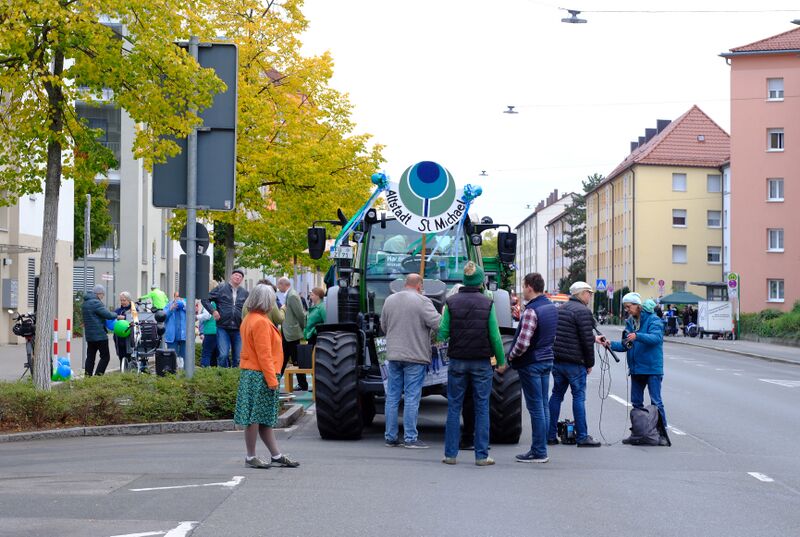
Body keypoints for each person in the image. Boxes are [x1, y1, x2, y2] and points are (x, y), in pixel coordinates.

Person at [439, 262, 506, 466]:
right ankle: (481, 456)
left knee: (453, 407)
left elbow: (442, 333)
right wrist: (501, 361)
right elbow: (495, 336)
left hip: (457, 361)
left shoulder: (451, 302)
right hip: (481, 363)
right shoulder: (488, 303)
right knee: (482, 407)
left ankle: (450, 454)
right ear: (480, 282)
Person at [234, 283, 300, 469]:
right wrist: (272, 380)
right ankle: (251, 456)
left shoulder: (249, 318)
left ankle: (275, 455)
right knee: (256, 418)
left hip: (251, 373)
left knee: (259, 418)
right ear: (267, 301)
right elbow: (265, 355)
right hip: (261, 375)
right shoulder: (261, 321)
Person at [380, 274, 441, 449]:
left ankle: (390, 437)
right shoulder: (422, 301)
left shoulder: (389, 300)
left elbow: (384, 326)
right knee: (412, 397)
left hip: (393, 355)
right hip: (415, 356)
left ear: (405, 284)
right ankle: (410, 438)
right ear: (419, 285)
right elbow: (438, 324)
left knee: (392, 397)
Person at [507, 272, 558, 464]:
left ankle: (538, 451)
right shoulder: (551, 307)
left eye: (523, 286)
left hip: (531, 363)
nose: (522, 290)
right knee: (543, 405)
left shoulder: (531, 311)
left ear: (529, 286)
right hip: (546, 360)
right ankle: (541, 447)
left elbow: (522, 343)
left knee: (535, 408)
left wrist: (510, 357)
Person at [606, 293, 668, 444]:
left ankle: (662, 434)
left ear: (638, 305)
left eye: (629, 307)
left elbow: (656, 339)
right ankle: (638, 433)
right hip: (636, 369)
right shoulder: (630, 322)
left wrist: (638, 336)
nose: (627, 310)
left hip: (652, 368)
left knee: (656, 402)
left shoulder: (653, 319)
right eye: (625, 307)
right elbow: (626, 344)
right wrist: (610, 344)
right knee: (636, 402)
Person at [548, 281, 602, 448]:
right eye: (589, 293)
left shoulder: (561, 309)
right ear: (581, 293)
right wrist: (589, 363)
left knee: (556, 395)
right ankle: (582, 437)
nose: (590, 296)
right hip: (575, 362)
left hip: (558, 360)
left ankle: (549, 435)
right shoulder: (583, 311)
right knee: (578, 397)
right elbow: (586, 341)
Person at [203, 268, 249, 368]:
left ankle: (236, 379)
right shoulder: (221, 288)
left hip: (238, 328)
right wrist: (213, 311)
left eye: (240, 276)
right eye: (236, 275)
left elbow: (250, 307)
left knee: (238, 357)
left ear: (242, 280)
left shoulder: (245, 293)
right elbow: (205, 299)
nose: (238, 277)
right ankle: (223, 378)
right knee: (223, 355)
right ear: (231, 277)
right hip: (223, 327)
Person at [277, 277, 307, 391]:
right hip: (290, 331)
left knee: (286, 357)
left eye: (279, 286)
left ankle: (276, 381)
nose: (278, 288)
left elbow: (300, 314)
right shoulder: (291, 294)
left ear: (283, 284)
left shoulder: (292, 295)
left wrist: (302, 327)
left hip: (291, 332)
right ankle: (302, 384)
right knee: (294, 358)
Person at [82, 285, 117, 376]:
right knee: (105, 357)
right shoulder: (96, 303)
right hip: (100, 335)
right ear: (99, 293)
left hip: (90, 336)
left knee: (90, 357)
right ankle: (98, 376)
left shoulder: (85, 303)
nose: (103, 297)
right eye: (102, 295)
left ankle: (87, 377)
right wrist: (117, 315)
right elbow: (108, 315)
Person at [164, 292, 187, 368]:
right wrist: (171, 309)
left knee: (186, 358)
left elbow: (194, 316)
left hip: (184, 336)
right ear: (174, 297)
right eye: (177, 296)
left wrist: (185, 307)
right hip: (172, 337)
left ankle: (186, 375)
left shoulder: (186, 305)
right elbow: (163, 318)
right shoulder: (168, 305)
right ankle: (172, 376)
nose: (179, 298)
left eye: (180, 297)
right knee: (172, 358)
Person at [113, 291, 133, 366]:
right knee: (121, 355)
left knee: (129, 355)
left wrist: (125, 318)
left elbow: (135, 319)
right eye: (121, 300)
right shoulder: (117, 311)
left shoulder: (133, 310)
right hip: (118, 337)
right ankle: (122, 370)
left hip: (129, 336)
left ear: (129, 300)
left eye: (124, 300)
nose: (122, 302)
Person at [197, 300, 218, 367]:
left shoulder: (210, 303)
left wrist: (196, 317)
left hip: (210, 331)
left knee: (206, 353)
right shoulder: (221, 303)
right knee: (216, 354)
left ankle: (205, 371)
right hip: (220, 332)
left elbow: (207, 315)